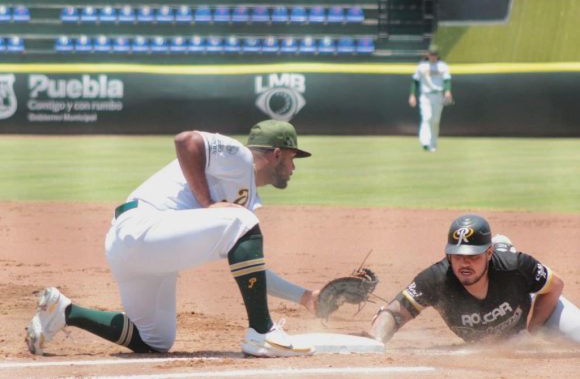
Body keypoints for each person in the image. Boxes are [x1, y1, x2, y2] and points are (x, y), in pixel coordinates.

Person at [26, 120, 320, 358]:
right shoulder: (240, 156)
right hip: (142, 228)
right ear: (277, 154)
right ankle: (262, 332)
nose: (294, 169)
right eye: (293, 158)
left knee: (155, 340)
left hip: (139, 249)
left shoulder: (245, 199)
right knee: (244, 222)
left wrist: (305, 297)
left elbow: (250, 268)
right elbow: (186, 140)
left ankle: (65, 311)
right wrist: (207, 203)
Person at [370, 214, 580, 345]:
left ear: (489, 253)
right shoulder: (437, 279)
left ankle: (503, 246)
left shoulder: (515, 265)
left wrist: (532, 330)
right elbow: (394, 312)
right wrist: (376, 340)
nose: (464, 263)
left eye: (473, 256)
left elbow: (555, 286)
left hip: (534, 304)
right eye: (458, 256)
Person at [408, 44, 453, 152]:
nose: (433, 56)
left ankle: (433, 144)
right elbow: (415, 81)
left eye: (435, 54)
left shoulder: (443, 66)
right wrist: (412, 94)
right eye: (431, 54)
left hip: (438, 95)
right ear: (428, 54)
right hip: (426, 96)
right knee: (426, 117)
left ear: (438, 55)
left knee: (435, 121)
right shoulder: (422, 66)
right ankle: (425, 143)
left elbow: (447, 80)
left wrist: (447, 91)